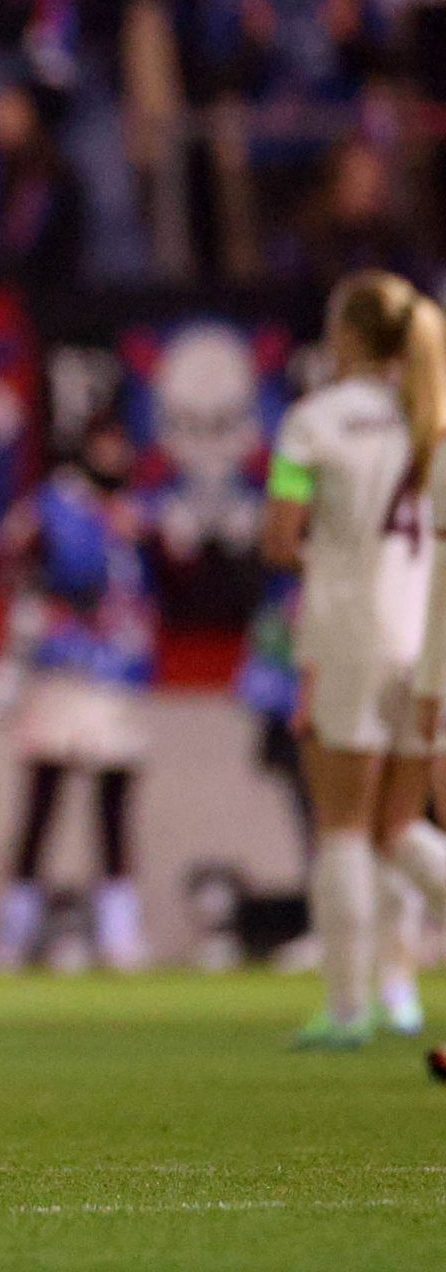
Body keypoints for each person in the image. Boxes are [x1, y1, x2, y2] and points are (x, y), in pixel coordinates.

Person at [261, 270, 446, 1049]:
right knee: (397, 827)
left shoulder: (313, 421)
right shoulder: (430, 417)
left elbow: (280, 537)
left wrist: (328, 566)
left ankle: (345, 1008)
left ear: (344, 335)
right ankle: (398, 992)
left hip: (345, 635)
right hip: (428, 640)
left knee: (342, 826)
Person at [0, 420, 155, 973]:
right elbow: (40, 567)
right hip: (64, 667)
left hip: (120, 671)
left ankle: (118, 929)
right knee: (45, 796)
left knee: (114, 801)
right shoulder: (57, 502)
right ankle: (14, 928)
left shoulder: (133, 508)